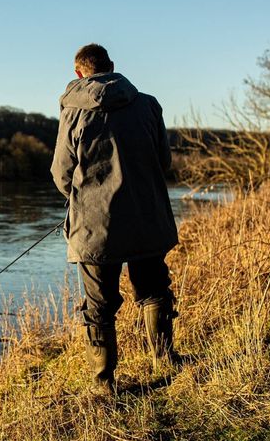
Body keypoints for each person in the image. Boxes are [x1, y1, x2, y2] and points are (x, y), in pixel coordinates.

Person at [50, 43, 181, 394]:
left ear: (78, 73)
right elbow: (163, 162)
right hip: (147, 217)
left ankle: (103, 383)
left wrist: (83, 198)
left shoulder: (72, 111)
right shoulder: (149, 104)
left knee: (99, 305)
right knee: (154, 289)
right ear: (112, 66)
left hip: (95, 226)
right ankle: (165, 359)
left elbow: (61, 174)